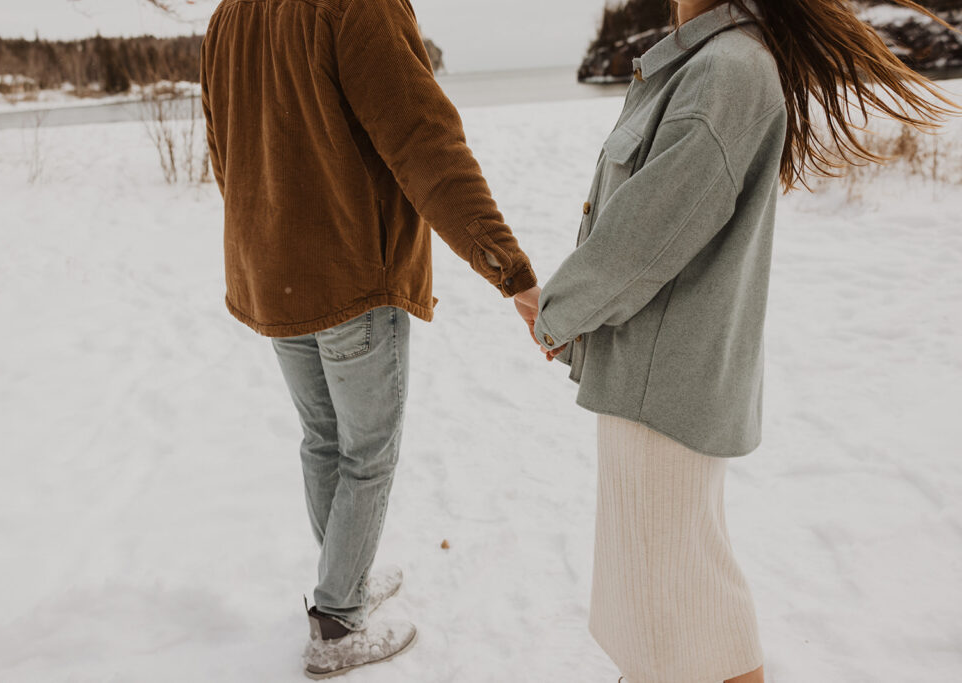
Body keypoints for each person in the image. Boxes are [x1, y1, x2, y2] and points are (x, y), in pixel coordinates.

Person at [529, 1, 959, 682]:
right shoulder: (703, 61)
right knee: (676, 602)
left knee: (674, 610)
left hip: (661, 388)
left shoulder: (726, 69)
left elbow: (643, 238)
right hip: (658, 375)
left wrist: (557, 313)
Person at [200, 0, 540, 678]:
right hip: (349, 273)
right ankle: (338, 620)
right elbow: (425, 143)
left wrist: (264, 243)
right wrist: (510, 269)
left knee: (324, 438)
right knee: (365, 452)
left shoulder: (228, 15)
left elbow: (224, 149)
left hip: (278, 273)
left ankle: (342, 580)